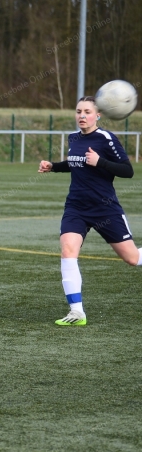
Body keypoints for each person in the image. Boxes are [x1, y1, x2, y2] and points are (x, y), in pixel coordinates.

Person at [38, 96, 139, 326]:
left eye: (87, 112)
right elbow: (75, 163)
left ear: (98, 115)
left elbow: (127, 171)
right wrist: (54, 166)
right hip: (76, 207)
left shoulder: (106, 138)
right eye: (78, 111)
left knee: (132, 259)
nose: (82, 116)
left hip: (105, 209)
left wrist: (100, 162)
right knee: (67, 250)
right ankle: (76, 313)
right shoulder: (74, 138)